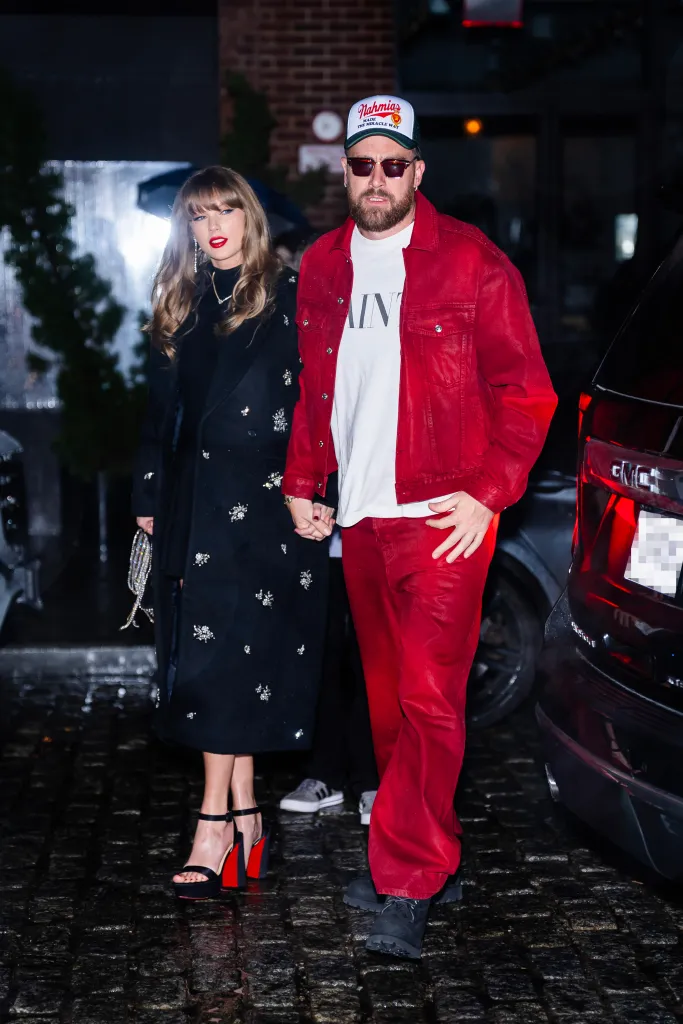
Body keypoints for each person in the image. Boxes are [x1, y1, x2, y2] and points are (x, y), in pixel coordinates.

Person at [283, 96, 557, 958]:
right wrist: (301, 482)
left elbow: (527, 394)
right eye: (361, 165)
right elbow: (314, 391)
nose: (376, 180)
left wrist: (487, 494)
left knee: (430, 700)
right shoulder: (321, 265)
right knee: (389, 707)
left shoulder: (472, 263)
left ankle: (406, 877)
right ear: (345, 174)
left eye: (391, 165)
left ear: (417, 172)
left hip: (442, 516)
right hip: (360, 519)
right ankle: (436, 851)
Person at [132, 166, 332, 901]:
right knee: (211, 659)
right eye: (198, 215)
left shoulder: (290, 297)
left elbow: (321, 404)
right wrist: (148, 495)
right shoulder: (180, 299)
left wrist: (316, 489)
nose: (213, 226)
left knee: (228, 663)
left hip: (266, 509)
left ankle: (212, 825)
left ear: (249, 216)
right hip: (193, 506)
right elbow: (159, 413)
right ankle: (247, 815)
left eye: (225, 210)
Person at [279, 522, 379, 825]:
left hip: (379, 537)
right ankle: (323, 773)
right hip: (318, 545)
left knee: (374, 659)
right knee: (319, 655)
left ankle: (374, 780)